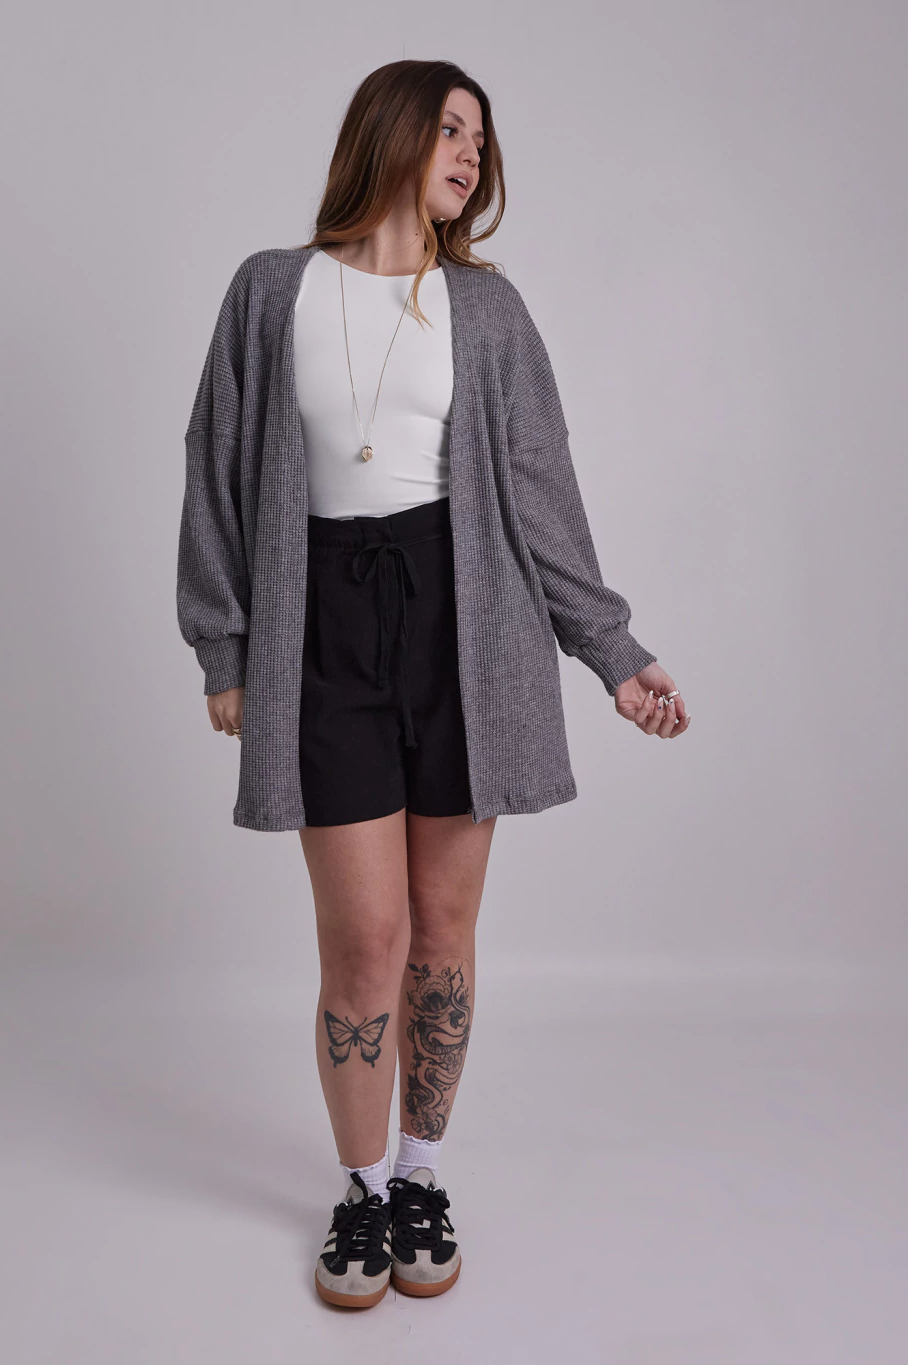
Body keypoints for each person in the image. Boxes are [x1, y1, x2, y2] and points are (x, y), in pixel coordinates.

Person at [176, 59, 690, 1309]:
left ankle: (419, 1176)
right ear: (392, 132)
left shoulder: (488, 311)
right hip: (322, 626)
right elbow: (216, 463)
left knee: (442, 939)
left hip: (468, 630)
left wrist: (613, 652)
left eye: (480, 140)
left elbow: (540, 490)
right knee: (366, 942)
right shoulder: (271, 290)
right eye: (450, 129)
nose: (469, 154)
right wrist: (224, 646)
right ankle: (358, 1193)